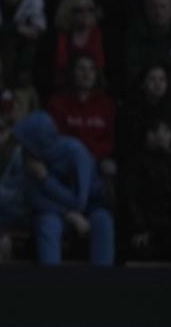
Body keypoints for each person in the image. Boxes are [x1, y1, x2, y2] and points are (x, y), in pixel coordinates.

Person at [14, 111, 114, 266]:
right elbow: (33, 198)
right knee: (48, 224)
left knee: (103, 221)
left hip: (90, 207)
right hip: (56, 211)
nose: (23, 148)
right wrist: (68, 215)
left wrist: (46, 180)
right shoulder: (30, 159)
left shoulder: (75, 152)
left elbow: (79, 201)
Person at [124, 118, 171, 261]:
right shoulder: (135, 163)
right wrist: (142, 229)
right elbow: (131, 200)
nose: (170, 136)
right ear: (150, 135)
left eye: (169, 132)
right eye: (165, 131)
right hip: (147, 228)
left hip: (168, 228)